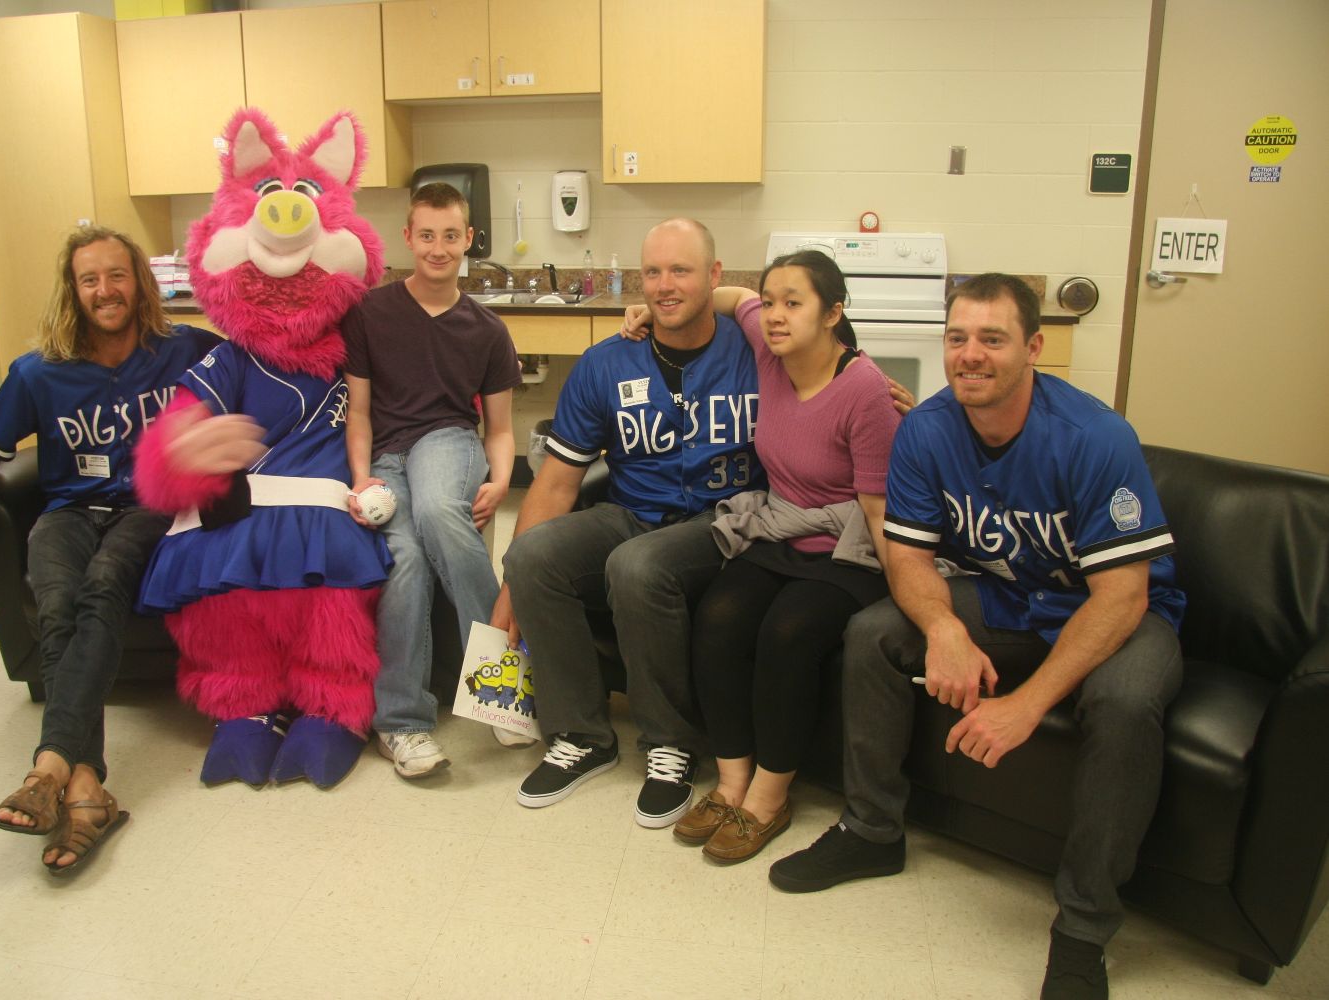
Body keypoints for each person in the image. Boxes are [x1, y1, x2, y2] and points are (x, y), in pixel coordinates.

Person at [769, 273, 1185, 1000]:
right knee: (873, 634)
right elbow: (908, 556)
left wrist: (1027, 705)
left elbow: (1123, 595)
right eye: (957, 338)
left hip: (1116, 613)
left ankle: (1083, 929)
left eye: (992, 338)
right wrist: (945, 629)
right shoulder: (928, 430)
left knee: (1123, 706)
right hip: (1007, 597)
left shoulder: (1096, 437)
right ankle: (872, 831)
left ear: (1034, 347)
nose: (971, 355)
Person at [0, 225, 219, 874]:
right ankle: (84, 789)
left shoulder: (184, 349)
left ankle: (50, 766)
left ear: (138, 283)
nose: (105, 291)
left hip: (150, 507)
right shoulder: (40, 372)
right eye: (90, 280)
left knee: (104, 583)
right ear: (73, 290)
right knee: (58, 604)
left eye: (116, 276)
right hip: (67, 512)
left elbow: (258, 360)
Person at [491, 218, 764, 829]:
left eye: (682, 271)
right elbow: (558, 482)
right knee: (531, 555)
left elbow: (823, 353)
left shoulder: (755, 353)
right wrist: (509, 585)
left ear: (714, 276)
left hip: (727, 523)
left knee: (636, 566)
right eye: (654, 272)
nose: (666, 286)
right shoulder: (606, 364)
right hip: (633, 512)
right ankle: (583, 735)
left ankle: (670, 744)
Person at [647, 251, 902, 863]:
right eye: (775, 301)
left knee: (787, 631)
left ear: (833, 313)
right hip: (777, 530)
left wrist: (912, 599)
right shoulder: (770, 345)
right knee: (719, 618)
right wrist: (643, 309)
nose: (778, 315)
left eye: (797, 303)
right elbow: (735, 298)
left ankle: (769, 795)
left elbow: (878, 512)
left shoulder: (864, 391)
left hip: (848, 548)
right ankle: (731, 780)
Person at [344, 182, 521, 778]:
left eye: (451, 236)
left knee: (442, 511)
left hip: (447, 441)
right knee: (406, 564)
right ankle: (402, 726)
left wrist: (499, 480)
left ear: (468, 240)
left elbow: (498, 428)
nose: (438, 248)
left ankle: (499, 683)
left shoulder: (488, 330)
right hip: (387, 458)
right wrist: (363, 480)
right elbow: (361, 412)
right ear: (408, 239)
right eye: (427, 235)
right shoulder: (371, 313)